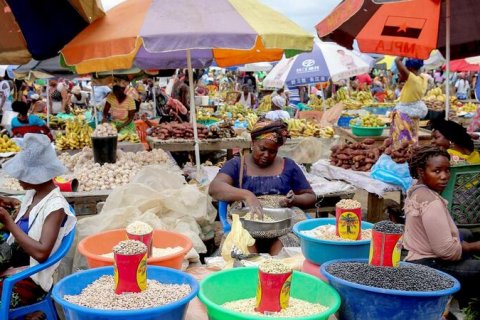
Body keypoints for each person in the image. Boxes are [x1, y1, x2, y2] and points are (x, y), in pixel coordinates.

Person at [208, 120, 316, 255]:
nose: (266, 155)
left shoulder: (289, 166)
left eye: (273, 151)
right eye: (262, 149)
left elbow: (310, 196)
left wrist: (294, 200)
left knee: (284, 256)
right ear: (253, 143)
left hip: (283, 227)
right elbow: (215, 188)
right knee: (245, 256)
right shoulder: (237, 165)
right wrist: (247, 195)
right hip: (246, 227)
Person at [0, 133, 76, 318]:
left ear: (36, 177)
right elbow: (25, 226)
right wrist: (10, 209)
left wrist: (8, 222)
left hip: (30, 279)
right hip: (14, 263)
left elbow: (42, 254)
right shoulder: (32, 196)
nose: (18, 177)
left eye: (22, 173)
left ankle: (26, 314)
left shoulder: (55, 207)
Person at [404, 146, 480, 308]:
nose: (444, 177)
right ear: (421, 172)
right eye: (437, 171)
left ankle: (463, 292)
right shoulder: (431, 202)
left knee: (465, 233)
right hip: (426, 266)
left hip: (421, 252)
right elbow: (447, 252)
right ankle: (465, 301)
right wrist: (474, 247)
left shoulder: (415, 189)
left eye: (447, 170)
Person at [390, 57, 428, 149]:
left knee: (401, 146)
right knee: (412, 142)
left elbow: (397, 60)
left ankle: (402, 161)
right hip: (413, 116)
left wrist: (405, 51)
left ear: (409, 69)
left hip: (404, 117)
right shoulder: (423, 78)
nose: (400, 74)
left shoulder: (413, 80)